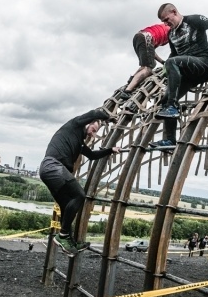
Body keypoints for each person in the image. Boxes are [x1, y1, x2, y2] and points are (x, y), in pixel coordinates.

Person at [39, 109, 121, 255]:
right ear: (87, 124)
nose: (93, 134)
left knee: (66, 206)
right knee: (79, 196)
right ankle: (63, 235)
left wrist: (110, 150)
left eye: (95, 132)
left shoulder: (79, 143)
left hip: (51, 171)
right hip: (53, 166)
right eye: (93, 129)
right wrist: (109, 118)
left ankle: (69, 243)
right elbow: (96, 112)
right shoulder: (74, 125)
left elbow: (92, 156)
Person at [149, 3, 208, 148]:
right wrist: (166, 67)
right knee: (165, 101)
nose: (166, 24)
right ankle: (170, 140)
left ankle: (173, 107)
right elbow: (174, 54)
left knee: (172, 63)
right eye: (163, 22)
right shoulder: (171, 34)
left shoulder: (194, 20)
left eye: (167, 19)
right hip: (188, 73)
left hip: (203, 64)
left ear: (174, 12)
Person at [115, 23, 170, 101]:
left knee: (148, 64)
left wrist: (162, 61)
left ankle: (132, 79)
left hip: (139, 36)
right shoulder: (172, 30)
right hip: (146, 38)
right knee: (148, 69)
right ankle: (127, 91)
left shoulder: (162, 29)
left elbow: (151, 51)